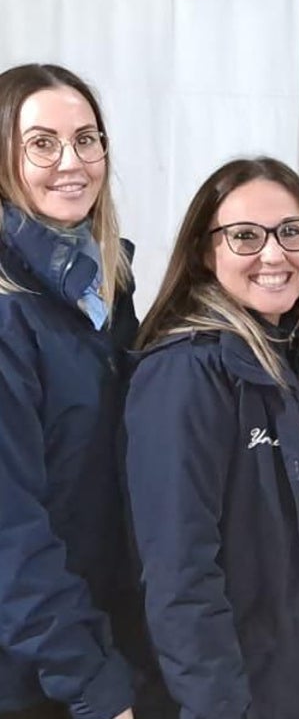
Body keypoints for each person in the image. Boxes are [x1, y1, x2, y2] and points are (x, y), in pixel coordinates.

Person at [124, 157, 299, 719]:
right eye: (245, 236)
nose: (273, 254)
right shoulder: (185, 374)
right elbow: (180, 575)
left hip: (282, 684)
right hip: (215, 698)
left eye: (291, 232)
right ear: (207, 252)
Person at [0, 64, 140, 719]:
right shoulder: (9, 310)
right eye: (42, 143)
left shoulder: (107, 284)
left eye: (88, 139)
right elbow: (9, 528)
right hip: (34, 672)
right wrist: (91, 682)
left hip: (99, 638)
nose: (72, 162)